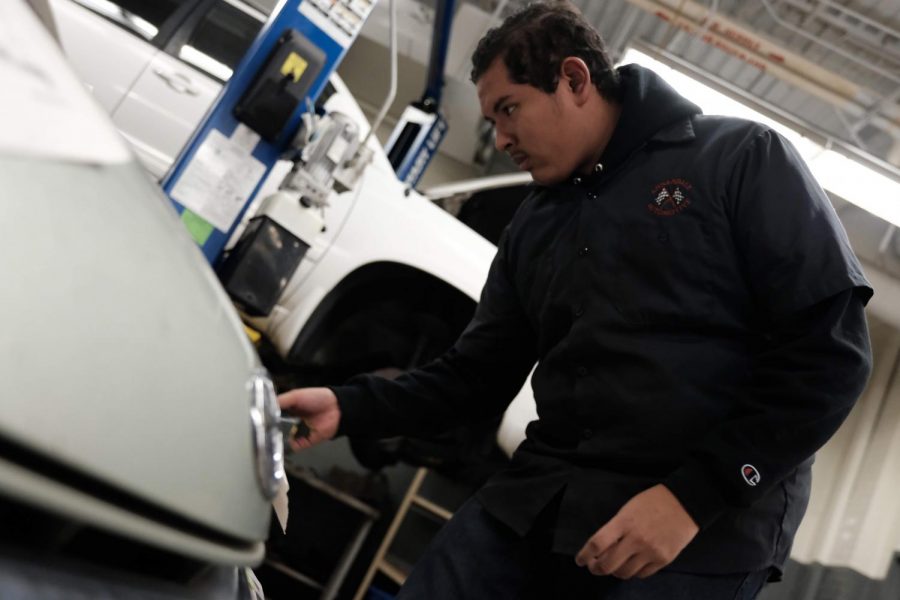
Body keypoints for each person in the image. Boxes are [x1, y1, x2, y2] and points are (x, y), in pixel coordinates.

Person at [278, 2, 874, 598]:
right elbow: (474, 377)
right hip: (541, 497)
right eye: (492, 119)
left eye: (509, 109)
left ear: (574, 80)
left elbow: (831, 355)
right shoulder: (534, 226)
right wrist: (349, 406)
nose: (501, 138)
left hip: (693, 529)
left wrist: (693, 498)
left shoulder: (739, 159)